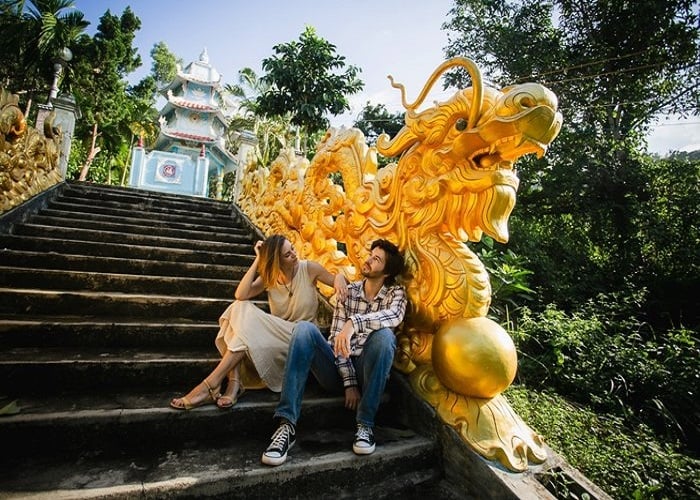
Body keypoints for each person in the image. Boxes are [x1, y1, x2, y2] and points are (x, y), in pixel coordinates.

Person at [261, 239, 407, 466]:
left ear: (386, 272)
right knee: (303, 330)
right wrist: (349, 383)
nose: (368, 260)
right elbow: (335, 341)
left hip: (369, 369)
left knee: (385, 337)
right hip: (336, 371)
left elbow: (394, 316)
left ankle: (365, 424)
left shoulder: (395, 293)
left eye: (376, 259)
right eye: (371, 254)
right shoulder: (348, 292)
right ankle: (286, 426)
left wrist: (354, 322)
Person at [170, 234, 347, 410]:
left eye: (292, 248)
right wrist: (258, 260)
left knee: (240, 320)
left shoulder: (309, 269)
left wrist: (339, 277)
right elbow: (240, 295)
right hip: (276, 339)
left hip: (301, 338)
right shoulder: (270, 277)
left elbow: (337, 280)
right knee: (239, 307)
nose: (294, 254)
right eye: (287, 254)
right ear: (276, 261)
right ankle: (230, 383)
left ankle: (216, 384)